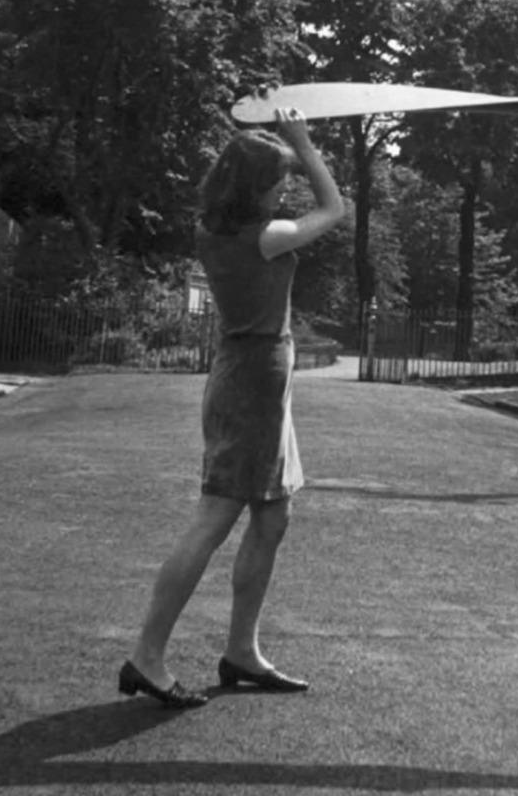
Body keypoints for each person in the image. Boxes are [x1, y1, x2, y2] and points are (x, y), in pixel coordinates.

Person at [118, 107, 346, 709]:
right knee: (215, 517)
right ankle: (146, 656)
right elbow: (334, 210)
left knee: (272, 519)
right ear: (255, 189)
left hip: (253, 378)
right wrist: (302, 142)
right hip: (253, 383)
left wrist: (282, 148)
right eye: (277, 183)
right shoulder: (264, 238)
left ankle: (241, 650)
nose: (284, 192)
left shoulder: (213, 229)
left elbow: (291, 197)